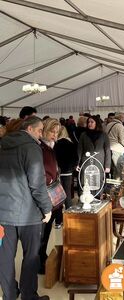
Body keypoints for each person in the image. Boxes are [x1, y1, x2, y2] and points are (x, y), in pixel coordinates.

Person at [0, 116, 52, 300]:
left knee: (5, 258)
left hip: (3, 213)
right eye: (39, 130)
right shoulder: (31, 148)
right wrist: (47, 208)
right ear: (29, 129)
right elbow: (37, 184)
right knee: (31, 256)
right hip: (28, 214)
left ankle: (9, 294)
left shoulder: (2, 144)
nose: (41, 134)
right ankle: (29, 296)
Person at [39, 118, 61, 274]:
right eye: (52, 131)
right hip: (44, 195)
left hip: (52, 195)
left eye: (57, 132)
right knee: (41, 232)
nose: (54, 135)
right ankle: (39, 261)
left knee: (46, 232)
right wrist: (49, 179)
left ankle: (42, 257)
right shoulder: (40, 147)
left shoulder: (51, 147)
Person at [78, 116, 111, 195]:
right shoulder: (83, 135)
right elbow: (79, 149)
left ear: (97, 123)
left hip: (99, 161)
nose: (90, 124)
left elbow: (107, 150)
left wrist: (107, 165)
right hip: (86, 161)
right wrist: (78, 163)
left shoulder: (103, 135)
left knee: (98, 180)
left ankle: (98, 197)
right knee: (85, 180)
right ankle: (85, 198)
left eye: (92, 122)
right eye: (88, 122)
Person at [54, 126, 78, 210]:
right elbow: (75, 157)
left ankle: (58, 213)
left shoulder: (55, 144)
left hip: (58, 171)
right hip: (68, 171)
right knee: (67, 192)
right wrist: (73, 167)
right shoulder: (71, 144)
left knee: (58, 194)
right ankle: (69, 210)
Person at [105, 112, 124, 180]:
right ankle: (117, 187)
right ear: (121, 118)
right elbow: (123, 139)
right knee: (118, 170)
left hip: (109, 149)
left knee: (112, 170)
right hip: (117, 150)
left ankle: (111, 186)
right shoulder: (119, 126)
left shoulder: (109, 124)